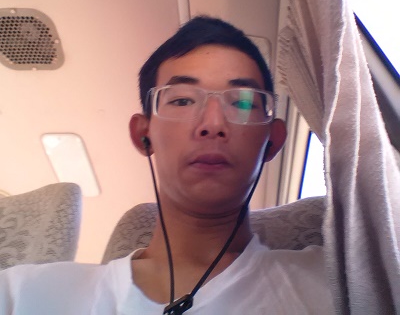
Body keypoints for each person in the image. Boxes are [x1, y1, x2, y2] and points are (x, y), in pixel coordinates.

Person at [0, 17, 336, 314]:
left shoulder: (338, 287)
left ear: (272, 140)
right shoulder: (23, 294)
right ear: (143, 135)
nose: (213, 124)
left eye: (243, 103)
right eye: (182, 100)